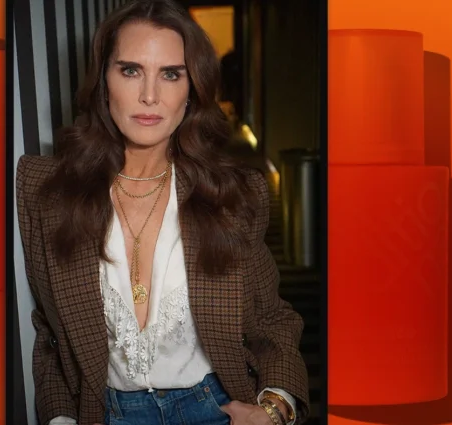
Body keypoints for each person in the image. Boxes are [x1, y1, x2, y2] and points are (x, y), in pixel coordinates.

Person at [15, 1, 308, 424]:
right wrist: (61, 418)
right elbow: (50, 333)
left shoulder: (234, 196)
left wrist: (275, 408)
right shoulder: (44, 189)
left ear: (192, 91)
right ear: (103, 81)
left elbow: (272, 320)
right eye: (130, 70)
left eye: (171, 74)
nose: (149, 95)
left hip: (216, 408)